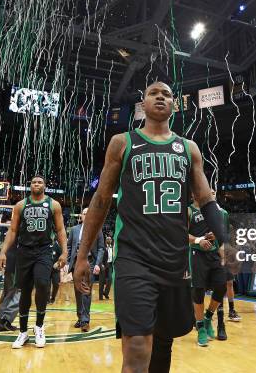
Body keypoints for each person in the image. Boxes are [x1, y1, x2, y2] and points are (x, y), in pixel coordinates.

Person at [73, 81, 231, 373]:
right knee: (136, 348)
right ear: (142, 104)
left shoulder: (189, 148)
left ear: (174, 105)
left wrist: (224, 241)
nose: (160, 97)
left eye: (167, 94)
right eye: (153, 93)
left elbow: (206, 198)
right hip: (134, 258)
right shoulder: (123, 142)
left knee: (162, 345)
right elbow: (101, 199)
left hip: (174, 260)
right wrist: (82, 255)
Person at [0, 175, 68, 349]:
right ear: (30, 186)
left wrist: (65, 252)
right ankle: (23, 332)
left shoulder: (54, 204)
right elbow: (13, 231)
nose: (36, 184)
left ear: (45, 186)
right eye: (33, 182)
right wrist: (3, 252)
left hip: (44, 251)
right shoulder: (21, 205)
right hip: (24, 251)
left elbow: (60, 230)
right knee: (25, 290)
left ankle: (39, 326)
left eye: (40, 182)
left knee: (43, 284)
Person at [188, 195, 228, 345]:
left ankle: (208, 317)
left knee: (221, 286)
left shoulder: (214, 211)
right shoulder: (189, 211)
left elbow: (222, 234)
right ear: (193, 194)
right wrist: (199, 240)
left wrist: (216, 237)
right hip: (197, 254)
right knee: (198, 292)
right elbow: (182, 234)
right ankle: (201, 329)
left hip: (214, 254)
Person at [67, 208, 105, 332]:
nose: (87, 215)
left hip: (90, 263)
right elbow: (69, 246)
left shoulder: (97, 230)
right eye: (84, 213)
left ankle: (85, 320)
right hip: (76, 264)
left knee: (86, 292)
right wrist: (68, 263)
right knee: (78, 292)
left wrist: (98, 264)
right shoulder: (74, 230)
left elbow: (101, 248)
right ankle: (80, 317)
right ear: (81, 216)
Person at [0, 241, 19, 332]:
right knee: (16, 293)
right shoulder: (21, 231)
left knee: (7, 293)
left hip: (10, 261)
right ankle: (5, 320)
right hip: (16, 264)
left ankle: (1, 322)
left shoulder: (12, 234)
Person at [48, 240, 62, 304]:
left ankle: (53, 297)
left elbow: (62, 256)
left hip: (55, 269)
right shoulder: (46, 244)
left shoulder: (58, 245)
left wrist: (58, 262)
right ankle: (47, 299)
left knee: (56, 283)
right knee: (46, 284)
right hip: (47, 268)